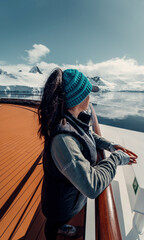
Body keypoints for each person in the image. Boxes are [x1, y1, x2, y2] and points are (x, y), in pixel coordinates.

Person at [38, 68, 137, 240]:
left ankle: (59, 227)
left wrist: (111, 145)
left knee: (57, 222)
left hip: (67, 198)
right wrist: (116, 159)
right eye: (87, 93)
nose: (90, 97)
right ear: (78, 99)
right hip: (60, 206)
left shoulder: (69, 119)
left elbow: (87, 135)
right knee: (53, 225)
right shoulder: (63, 141)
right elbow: (91, 186)